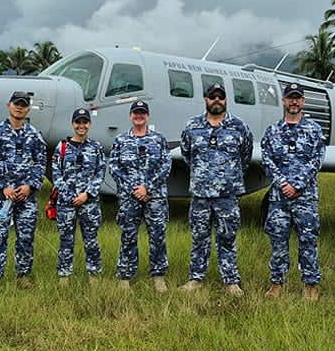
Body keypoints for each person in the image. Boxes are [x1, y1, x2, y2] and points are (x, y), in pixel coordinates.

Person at [179, 81, 253, 296]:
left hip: (227, 195)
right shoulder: (192, 127)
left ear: (226, 99)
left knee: (228, 238)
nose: (217, 100)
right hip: (201, 195)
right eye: (213, 96)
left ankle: (231, 282)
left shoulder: (239, 126)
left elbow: (245, 157)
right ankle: (195, 279)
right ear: (206, 100)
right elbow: (187, 155)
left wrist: (227, 177)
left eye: (220, 96)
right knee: (199, 238)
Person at [260, 82, 327, 300]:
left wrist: (297, 184)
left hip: (305, 197)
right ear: (284, 101)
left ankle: (311, 285)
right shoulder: (272, 131)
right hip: (279, 198)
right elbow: (267, 160)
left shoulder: (314, 130)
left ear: (303, 102)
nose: (294, 101)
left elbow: (317, 160)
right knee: (278, 241)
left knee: (308, 241)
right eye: (290, 97)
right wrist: (283, 183)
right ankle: (277, 283)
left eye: (298, 98)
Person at [0, 91, 47, 292]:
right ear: (8, 105)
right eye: (16, 103)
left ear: (28, 108)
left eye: (23, 104)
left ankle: (23, 276)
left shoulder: (35, 135)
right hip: (4, 196)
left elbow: (40, 163)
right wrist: (3, 187)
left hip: (26, 197)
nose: (19, 107)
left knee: (26, 237)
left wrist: (30, 186)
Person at [108, 100, 172, 291]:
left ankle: (159, 276)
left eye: (142, 113)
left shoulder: (159, 139)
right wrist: (134, 189)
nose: (139, 116)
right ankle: (125, 277)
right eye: (136, 112)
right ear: (130, 116)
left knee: (157, 237)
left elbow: (165, 166)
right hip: (129, 198)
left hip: (155, 198)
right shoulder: (121, 140)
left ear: (148, 116)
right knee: (128, 236)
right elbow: (114, 167)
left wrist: (148, 188)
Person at [51, 108, 105, 284]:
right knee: (66, 240)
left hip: (89, 203)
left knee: (91, 241)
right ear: (73, 124)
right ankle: (64, 275)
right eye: (78, 122)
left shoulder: (96, 147)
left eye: (85, 122)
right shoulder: (62, 147)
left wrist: (87, 194)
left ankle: (94, 275)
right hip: (67, 204)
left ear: (89, 124)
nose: (81, 126)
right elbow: (56, 174)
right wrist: (69, 195)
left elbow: (100, 173)